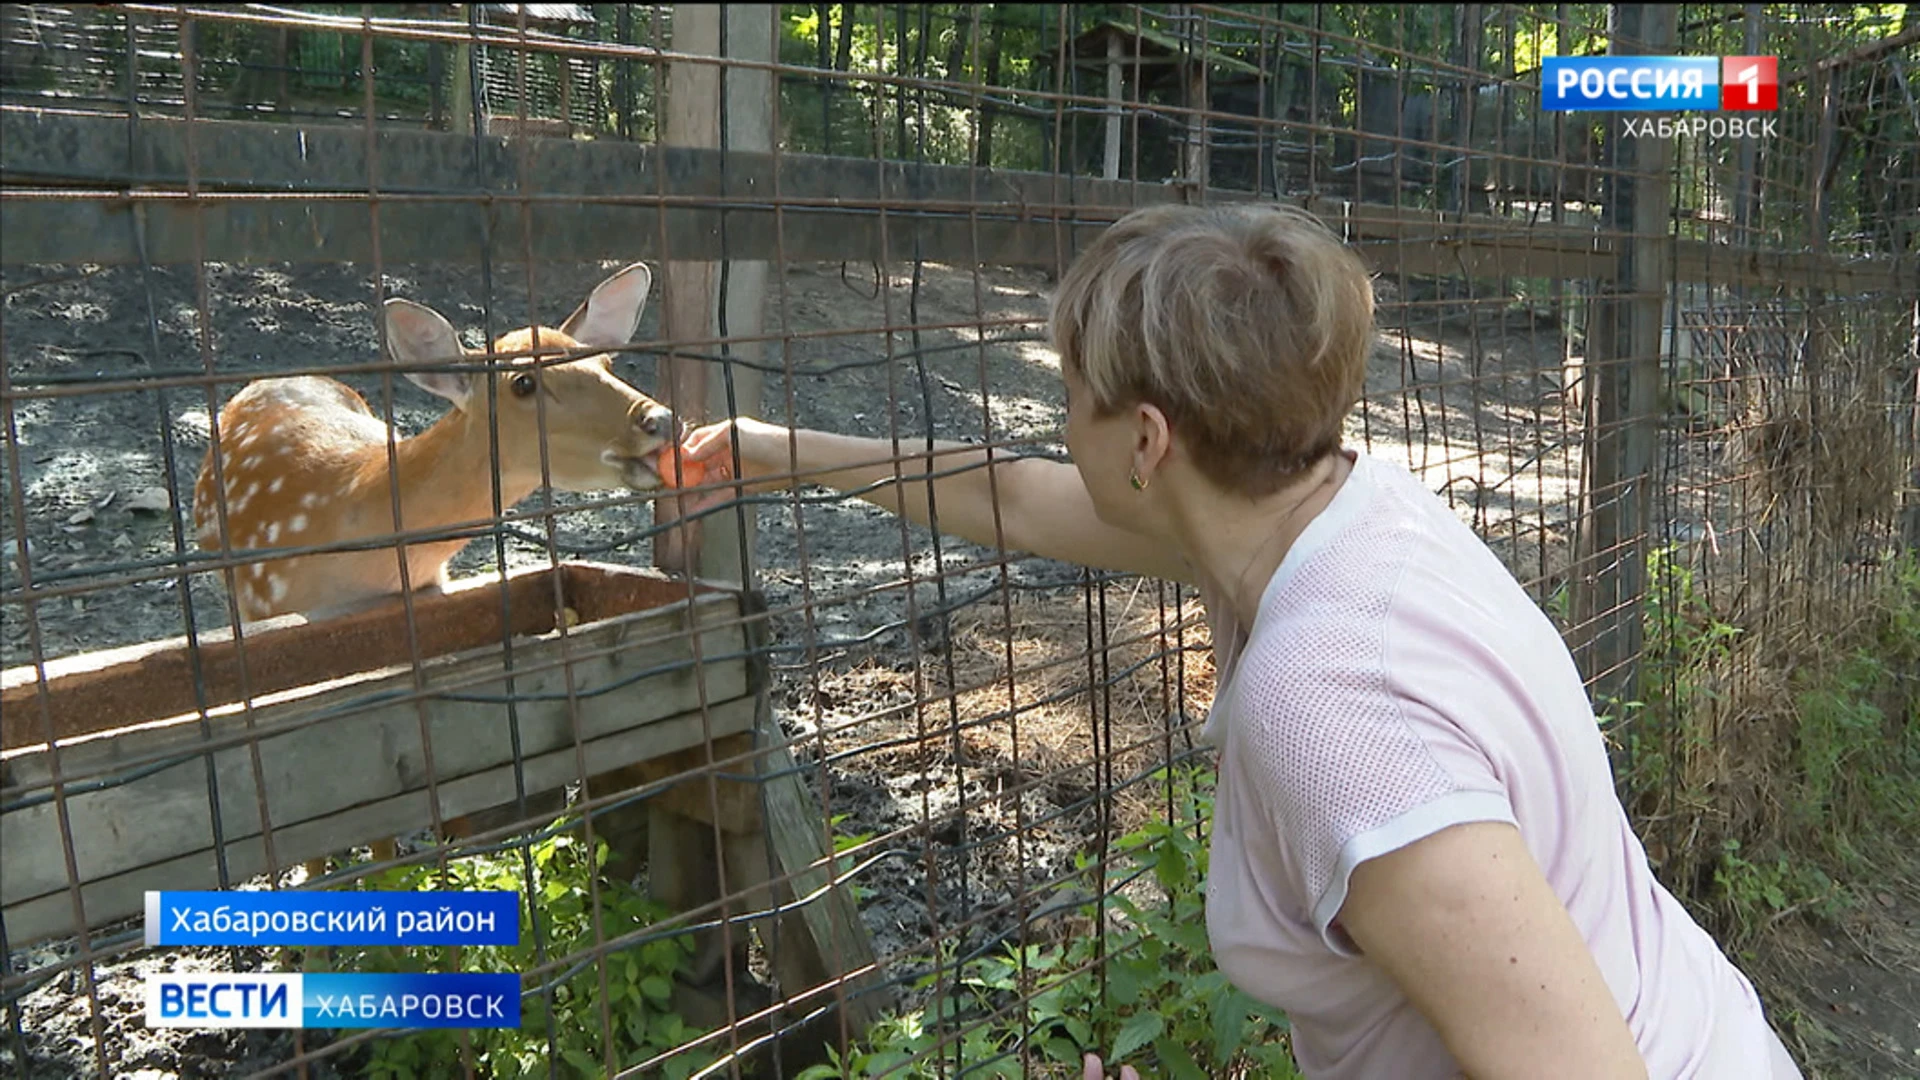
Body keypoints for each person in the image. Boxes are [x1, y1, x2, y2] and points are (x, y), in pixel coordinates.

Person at [671, 203, 1802, 1079]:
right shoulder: (1341, 512)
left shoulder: (1328, 704)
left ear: (1148, 442)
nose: (1060, 426)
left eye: (1072, 395)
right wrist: (771, 449)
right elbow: (1019, 500)